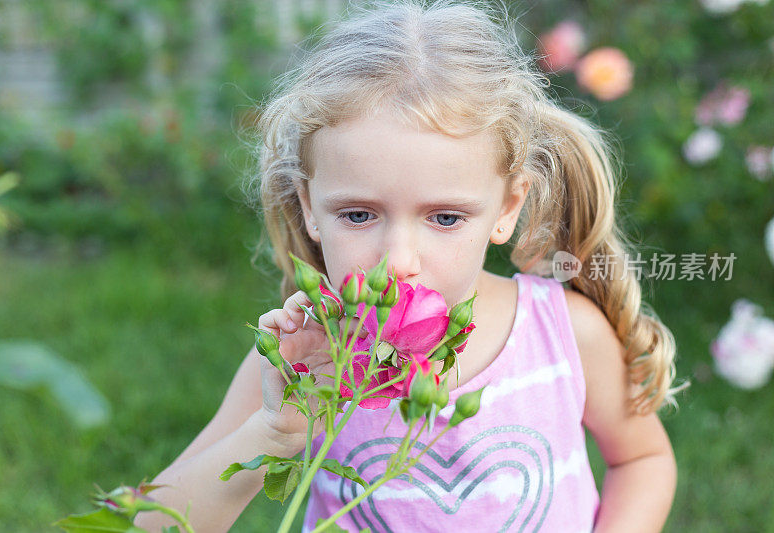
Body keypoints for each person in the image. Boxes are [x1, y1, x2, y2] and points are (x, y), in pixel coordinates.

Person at [137, 1, 688, 531]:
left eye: (445, 218)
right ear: (309, 206)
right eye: (358, 214)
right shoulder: (301, 364)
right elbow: (149, 525)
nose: (398, 262)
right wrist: (272, 436)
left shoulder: (563, 334)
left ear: (507, 208)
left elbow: (641, 461)